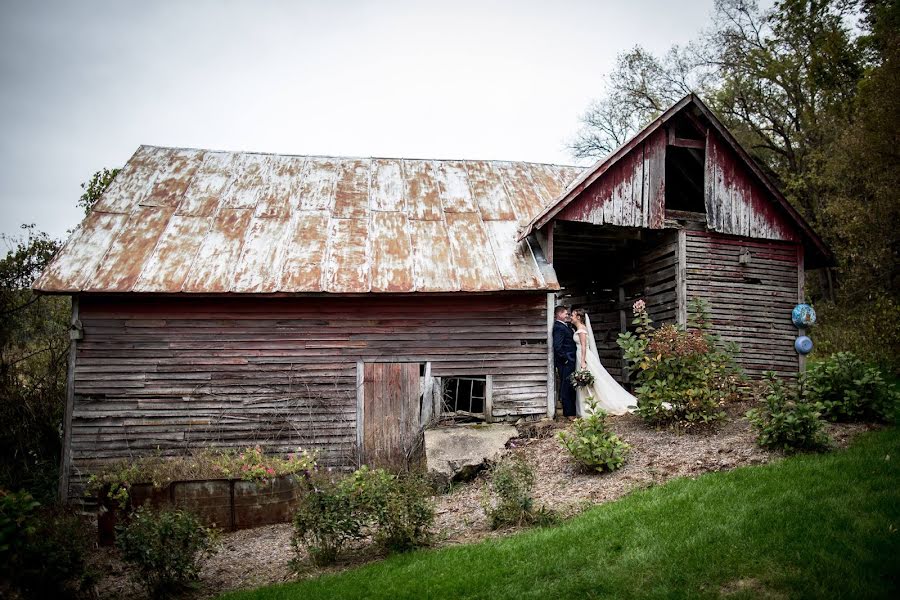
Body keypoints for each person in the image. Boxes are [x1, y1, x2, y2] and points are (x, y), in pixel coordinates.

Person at [570, 307, 636, 416]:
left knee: (590, 380)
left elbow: (583, 346)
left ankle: (594, 406)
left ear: (578, 317)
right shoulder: (579, 329)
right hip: (581, 355)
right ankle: (588, 406)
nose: (571, 317)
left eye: (572, 315)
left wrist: (582, 361)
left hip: (584, 357)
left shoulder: (582, 329)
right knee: (586, 381)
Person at [552, 305, 577, 419]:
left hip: (570, 359)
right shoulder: (558, 327)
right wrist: (565, 359)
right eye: (566, 314)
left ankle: (571, 410)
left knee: (570, 385)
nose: (567, 316)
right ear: (559, 314)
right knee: (566, 386)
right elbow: (557, 346)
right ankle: (569, 413)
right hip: (565, 361)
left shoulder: (565, 326)